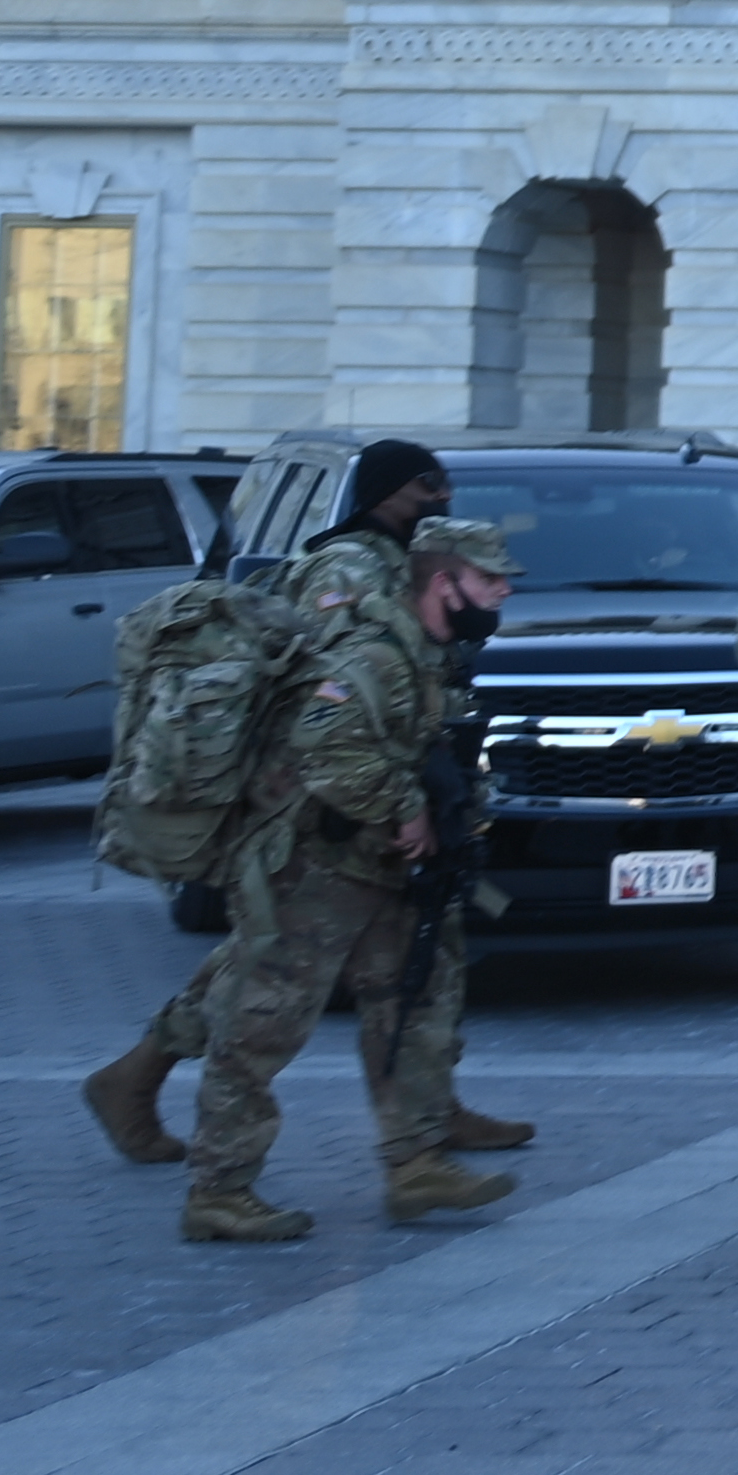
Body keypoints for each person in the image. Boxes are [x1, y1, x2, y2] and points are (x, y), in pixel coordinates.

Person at [87, 437, 529, 1174]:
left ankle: (424, 1118)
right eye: (430, 486)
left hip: (383, 799)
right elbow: (333, 703)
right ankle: (145, 1087)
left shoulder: (396, 563)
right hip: (321, 811)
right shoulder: (347, 567)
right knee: (269, 978)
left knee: (421, 960)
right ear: (390, 492)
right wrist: (390, 794)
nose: (443, 497)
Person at [175, 513, 523, 1243]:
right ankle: (219, 1189)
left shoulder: (427, 653)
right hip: (313, 871)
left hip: (379, 870)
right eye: (489, 581)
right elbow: (324, 747)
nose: (500, 597)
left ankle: (416, 1163)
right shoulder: (372, 652)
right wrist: (403, 809)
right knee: (262, 1024)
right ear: (443, 580)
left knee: (412, 1009)